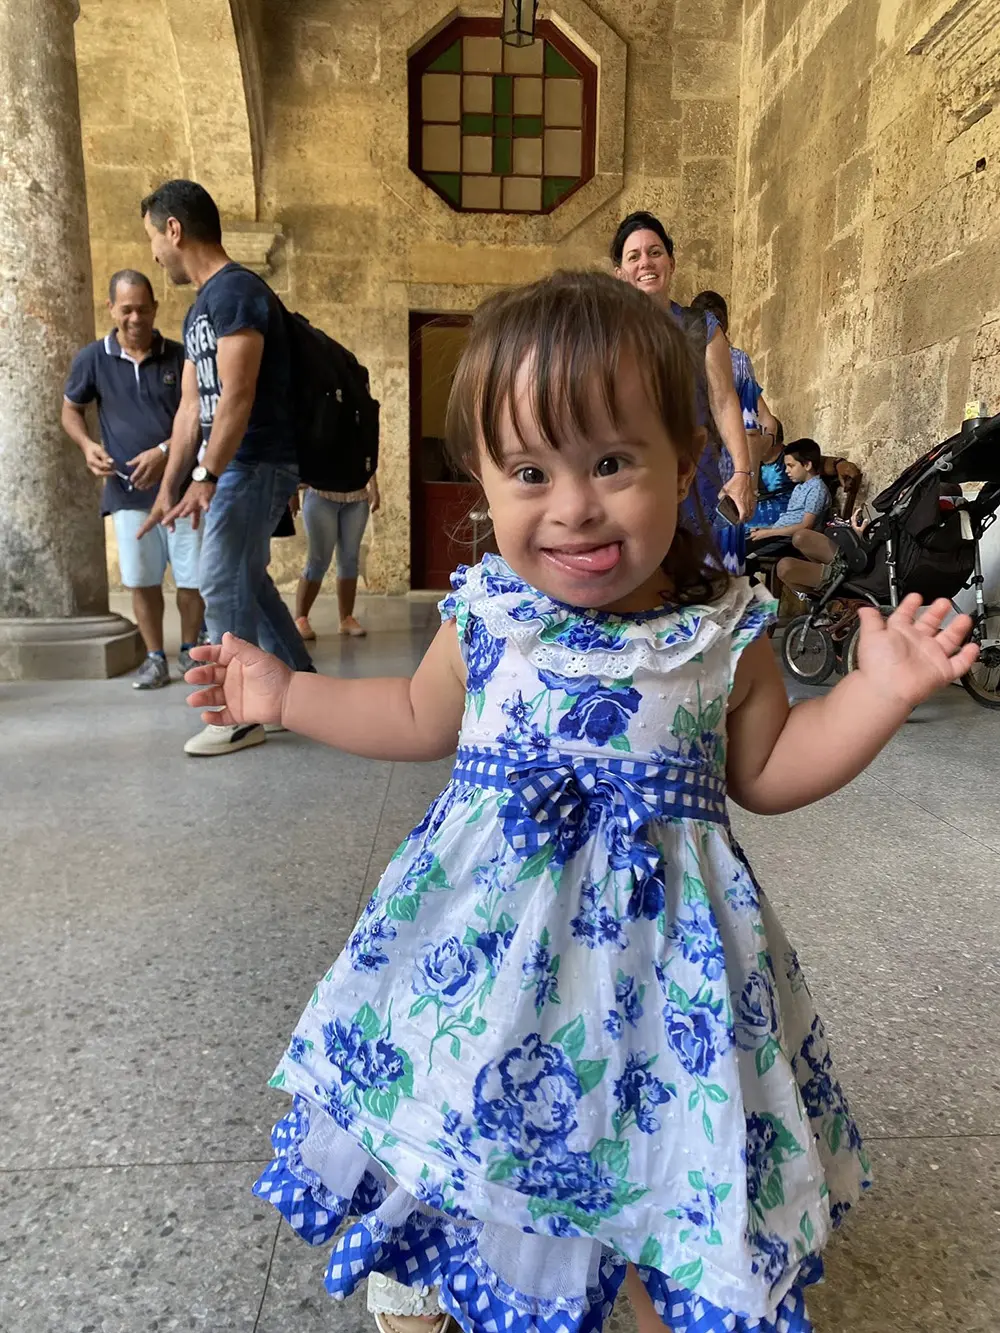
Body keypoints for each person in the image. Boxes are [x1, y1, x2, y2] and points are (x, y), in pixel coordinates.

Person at [185, 272, 977, 1333]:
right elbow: (414, 716)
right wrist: (284, 695)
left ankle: (653, 1274)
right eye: (530, 470)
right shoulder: (487, 615)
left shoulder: (722, 632)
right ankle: (448, 1250)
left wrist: (877, 696)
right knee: (471, 1095)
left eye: (610, 462)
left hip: (661, 969)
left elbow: (770, 769)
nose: (573, 506)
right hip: (483, 953)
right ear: (483, 479)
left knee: (642, 1131)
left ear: (683, 464)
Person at [138, 179, 314, 757]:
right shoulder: (201, 308)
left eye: (152, 239)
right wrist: (168, 489)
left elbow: (238, 394)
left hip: (254, 461)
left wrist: (206, 477)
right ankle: (300, 689)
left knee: (218, 580)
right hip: (232, 466)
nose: (154, 254)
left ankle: (236, 715)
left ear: (174, 229)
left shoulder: (237, 292)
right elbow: (191, 409)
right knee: (248, 580)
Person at [62, 270, 204, 688]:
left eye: (143, 309)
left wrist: (164, 452)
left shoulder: (180, 357)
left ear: (155, 308)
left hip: (181, 491)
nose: (136, 318)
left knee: (192, 578)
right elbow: (71, 410)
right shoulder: (93, 358)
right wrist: (87, 446)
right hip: (127, 493)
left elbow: (197, 419)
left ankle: (190, 652)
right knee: (142, 580)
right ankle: (155, 657)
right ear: (111, 309)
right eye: (126, 310)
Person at [611, 212, 754, 573]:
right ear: (620, 273)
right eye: (634, 256)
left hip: (693, 480)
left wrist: (742, 472)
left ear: (671, 263)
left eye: (655, 252)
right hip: (627, 479)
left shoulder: (701, 328)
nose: (646, 262)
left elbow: (724, 401)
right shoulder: (608, 334)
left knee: (691, 580)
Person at [689, 290, 780, 450]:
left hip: (688, 456)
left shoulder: (679, 357)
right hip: (730, 457)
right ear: (725, 324)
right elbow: (765, 422)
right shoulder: (738, 360)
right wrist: (765, 443)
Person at [294, 475, 381, 641]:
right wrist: (292, 492)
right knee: (318, 560)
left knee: (350, 559)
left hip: (356, 497)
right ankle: (301, 619)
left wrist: (374, 488)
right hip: (321, 495)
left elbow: (369, 460)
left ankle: (346, 619)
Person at [746, 439, 831, 576]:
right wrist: (766, 529)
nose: (787, 471)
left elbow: (806, 526)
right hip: (777, 535)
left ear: (807, 465)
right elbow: (788, 518)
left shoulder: (817, 489)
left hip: (789, 540)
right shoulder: (799, 487)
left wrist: (768, 533)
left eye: (791, 466)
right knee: (738, 545)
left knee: (743, 557)